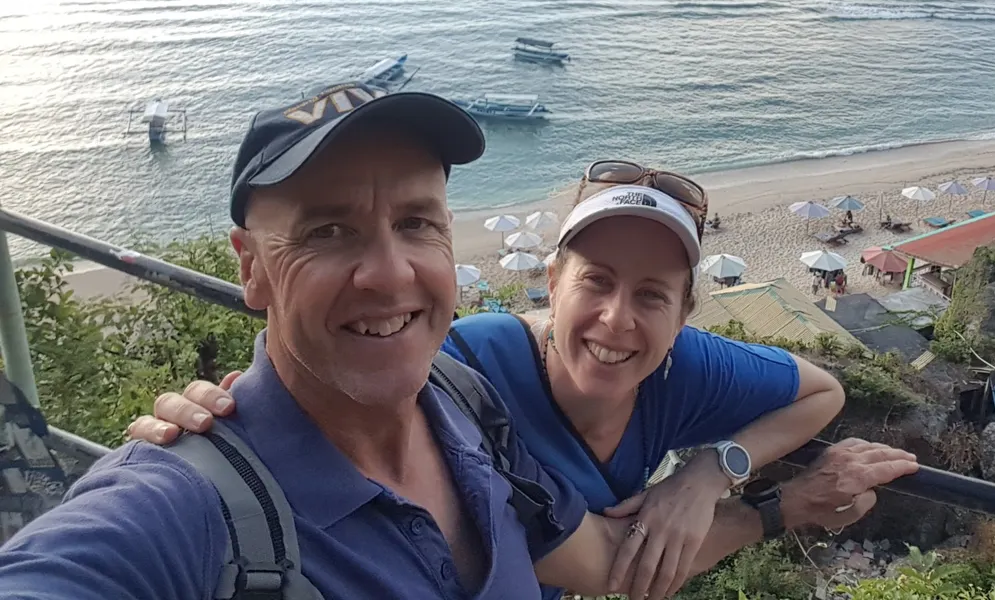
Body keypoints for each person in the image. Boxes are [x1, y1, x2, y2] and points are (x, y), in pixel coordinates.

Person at [3, 82, 920, 600]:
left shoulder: (463, 412)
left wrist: (760, 503)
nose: (390, 274)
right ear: (249, 268)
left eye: (417, 223)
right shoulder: (185, 512)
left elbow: (604, 569)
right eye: (327, 232)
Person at [131, 160, 850, 600]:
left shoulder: (687, 366)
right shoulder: (463, 372)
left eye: (652, 295)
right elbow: (333, 394)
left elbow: (824, 392)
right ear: (552, 281)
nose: (616, 319)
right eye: (595, 281)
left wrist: (708, 471)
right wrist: (230, 421)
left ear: (684, 313)